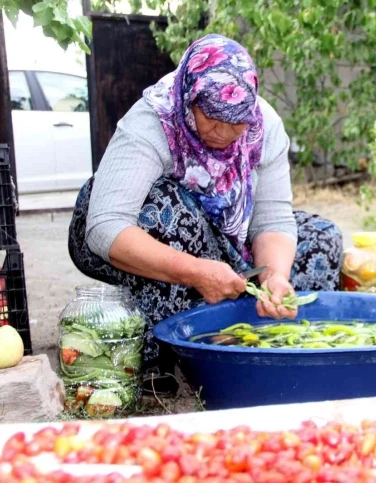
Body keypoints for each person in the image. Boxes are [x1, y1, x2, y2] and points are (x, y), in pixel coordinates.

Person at [68, 34, 343, 394]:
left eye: (238, 122)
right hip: (125, 235)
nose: (226, 133)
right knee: (172, 212)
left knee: (322, 239)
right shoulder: (153, 121)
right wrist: (197, 272)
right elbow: (105, 227)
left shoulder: (264, 126)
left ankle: (267, 348)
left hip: (220, 239)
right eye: (213, 118)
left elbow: (273, 219)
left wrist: (276, 276)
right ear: (189, 99)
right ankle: (158, 356)